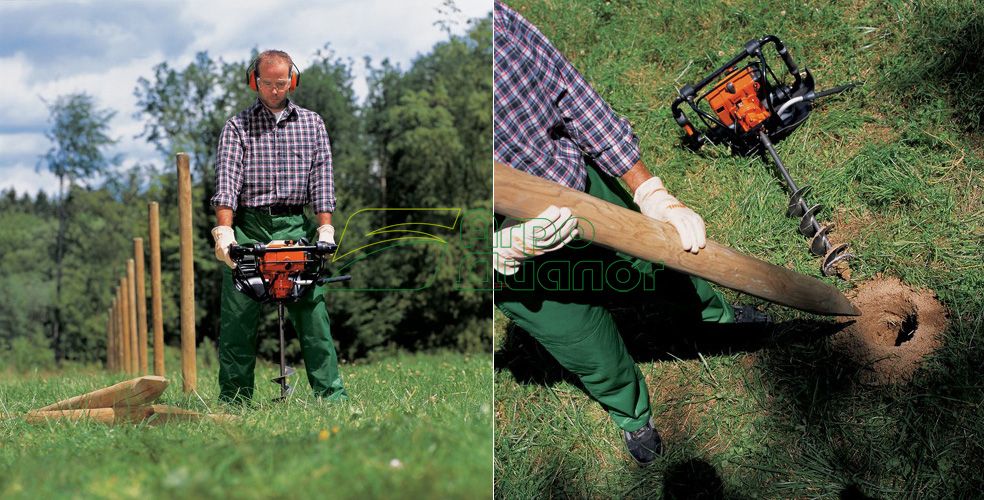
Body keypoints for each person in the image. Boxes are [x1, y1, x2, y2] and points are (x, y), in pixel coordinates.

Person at [492, 1, 766, 466]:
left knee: (660, 262)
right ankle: (631, 412)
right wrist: (496, 250)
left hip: (575, 187)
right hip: (502, 251)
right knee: (581, 339)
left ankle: (714, 314)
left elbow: (570, 96)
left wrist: (651, 191)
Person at [210, 49, 347, 403]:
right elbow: (227, 185)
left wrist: (325, 228)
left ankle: (331, 397)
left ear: (293, 80)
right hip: (249, 227)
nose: (274, 90)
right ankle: (235, 401)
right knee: (238, 321)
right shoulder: (237, 127)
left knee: (313, 314)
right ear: (254, 81)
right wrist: (225, 233)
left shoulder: (312, 124)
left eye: (281, 83)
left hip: (295, 226)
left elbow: (323, 180)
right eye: (267, 83)